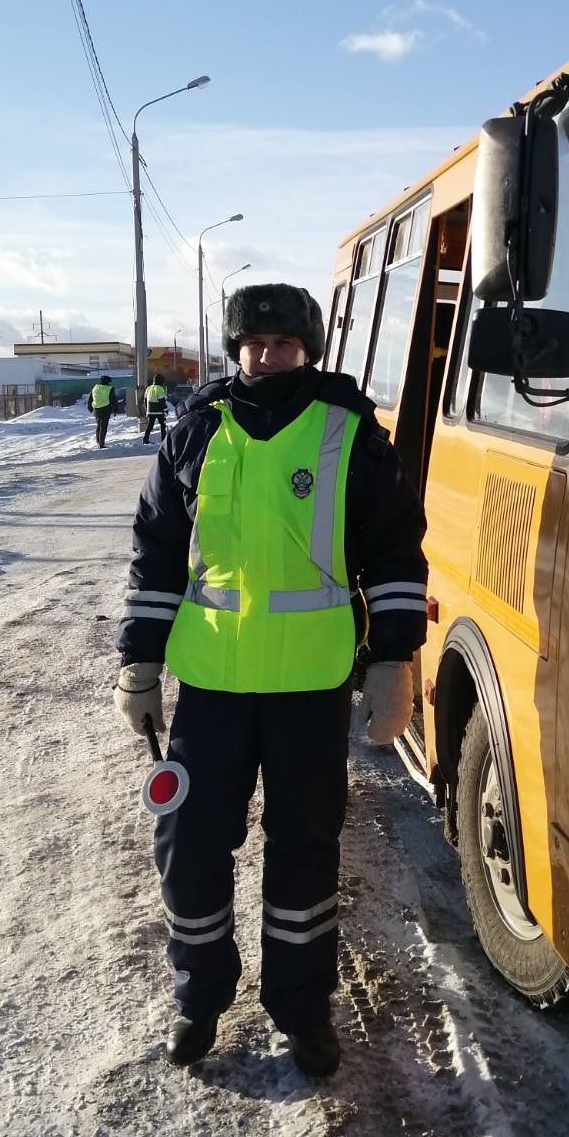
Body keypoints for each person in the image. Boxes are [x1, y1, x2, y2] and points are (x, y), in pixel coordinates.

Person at [114, 284, 426, 1076]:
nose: (266, 355)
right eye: (253, 344)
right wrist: (139, 662)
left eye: (283, 344)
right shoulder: (194, 432)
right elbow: (156, 552)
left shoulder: (348, 432)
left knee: (304, 855)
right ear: (236, 349)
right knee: (187, 847)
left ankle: (301, 1011)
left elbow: (394, 551)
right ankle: (199, 1000)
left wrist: (394, 660)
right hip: (211, 687)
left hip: (308, 689)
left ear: (307, 348)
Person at [87, 374, 118, 448]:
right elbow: (113, 400)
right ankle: (101, 443)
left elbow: (91, 398)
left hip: (96, 409)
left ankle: (98, 442)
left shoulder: (95, 387)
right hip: (105, 409)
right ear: (108, 381)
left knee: (98, 426)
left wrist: (90, 408)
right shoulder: (109, 388)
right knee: (103, 427)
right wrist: (115, 409)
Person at [142, 374, 168, 442]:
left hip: (150, 410)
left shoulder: (148, 388)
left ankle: (145, 439)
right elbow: (162, 401)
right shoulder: (160, 388)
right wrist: (166, 410)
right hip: (159, 411)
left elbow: (145, 400)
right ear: (161, 381)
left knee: (150, 425)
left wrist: (147, 409)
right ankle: (163, 440)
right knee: (162, 425)